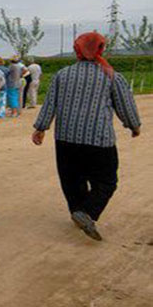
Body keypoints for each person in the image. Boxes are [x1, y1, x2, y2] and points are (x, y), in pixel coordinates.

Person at [32, 32, 141, 241]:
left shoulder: (62, 75)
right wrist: (133, 126)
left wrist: (41, 128)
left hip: (65, 138)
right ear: (100, 49)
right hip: (98, 140)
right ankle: (87, 212)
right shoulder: (111, 76)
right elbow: (125, 105)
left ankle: (78, 211)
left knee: (72, 179)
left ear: (77, 49)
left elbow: (49, 104)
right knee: (107, 181)